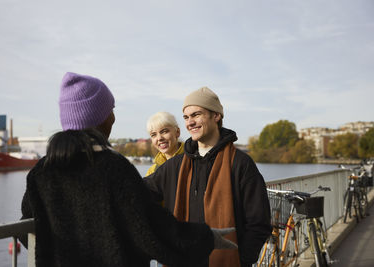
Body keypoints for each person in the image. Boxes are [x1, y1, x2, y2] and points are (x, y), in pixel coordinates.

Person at [20, 73, 237, 267]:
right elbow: (151, 229)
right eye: (110, 110)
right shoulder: (113, 168)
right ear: (102, 119)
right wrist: (206, 238)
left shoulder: (41, 172)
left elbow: (26, 227)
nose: (113, 117)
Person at [144, 86, 272, 267]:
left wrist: (242, 260)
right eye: (186, 117)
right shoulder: (175, 166)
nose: (190, 123)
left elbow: (259, 222)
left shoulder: (240, 164)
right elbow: (138, 193)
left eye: (196, 115)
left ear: (216, 116)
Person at [146, 111, 184, 176]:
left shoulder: (194, 161)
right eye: (153, 135)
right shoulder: (152, 171)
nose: (159, 138)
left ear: (177, 132)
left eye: (164, 131)